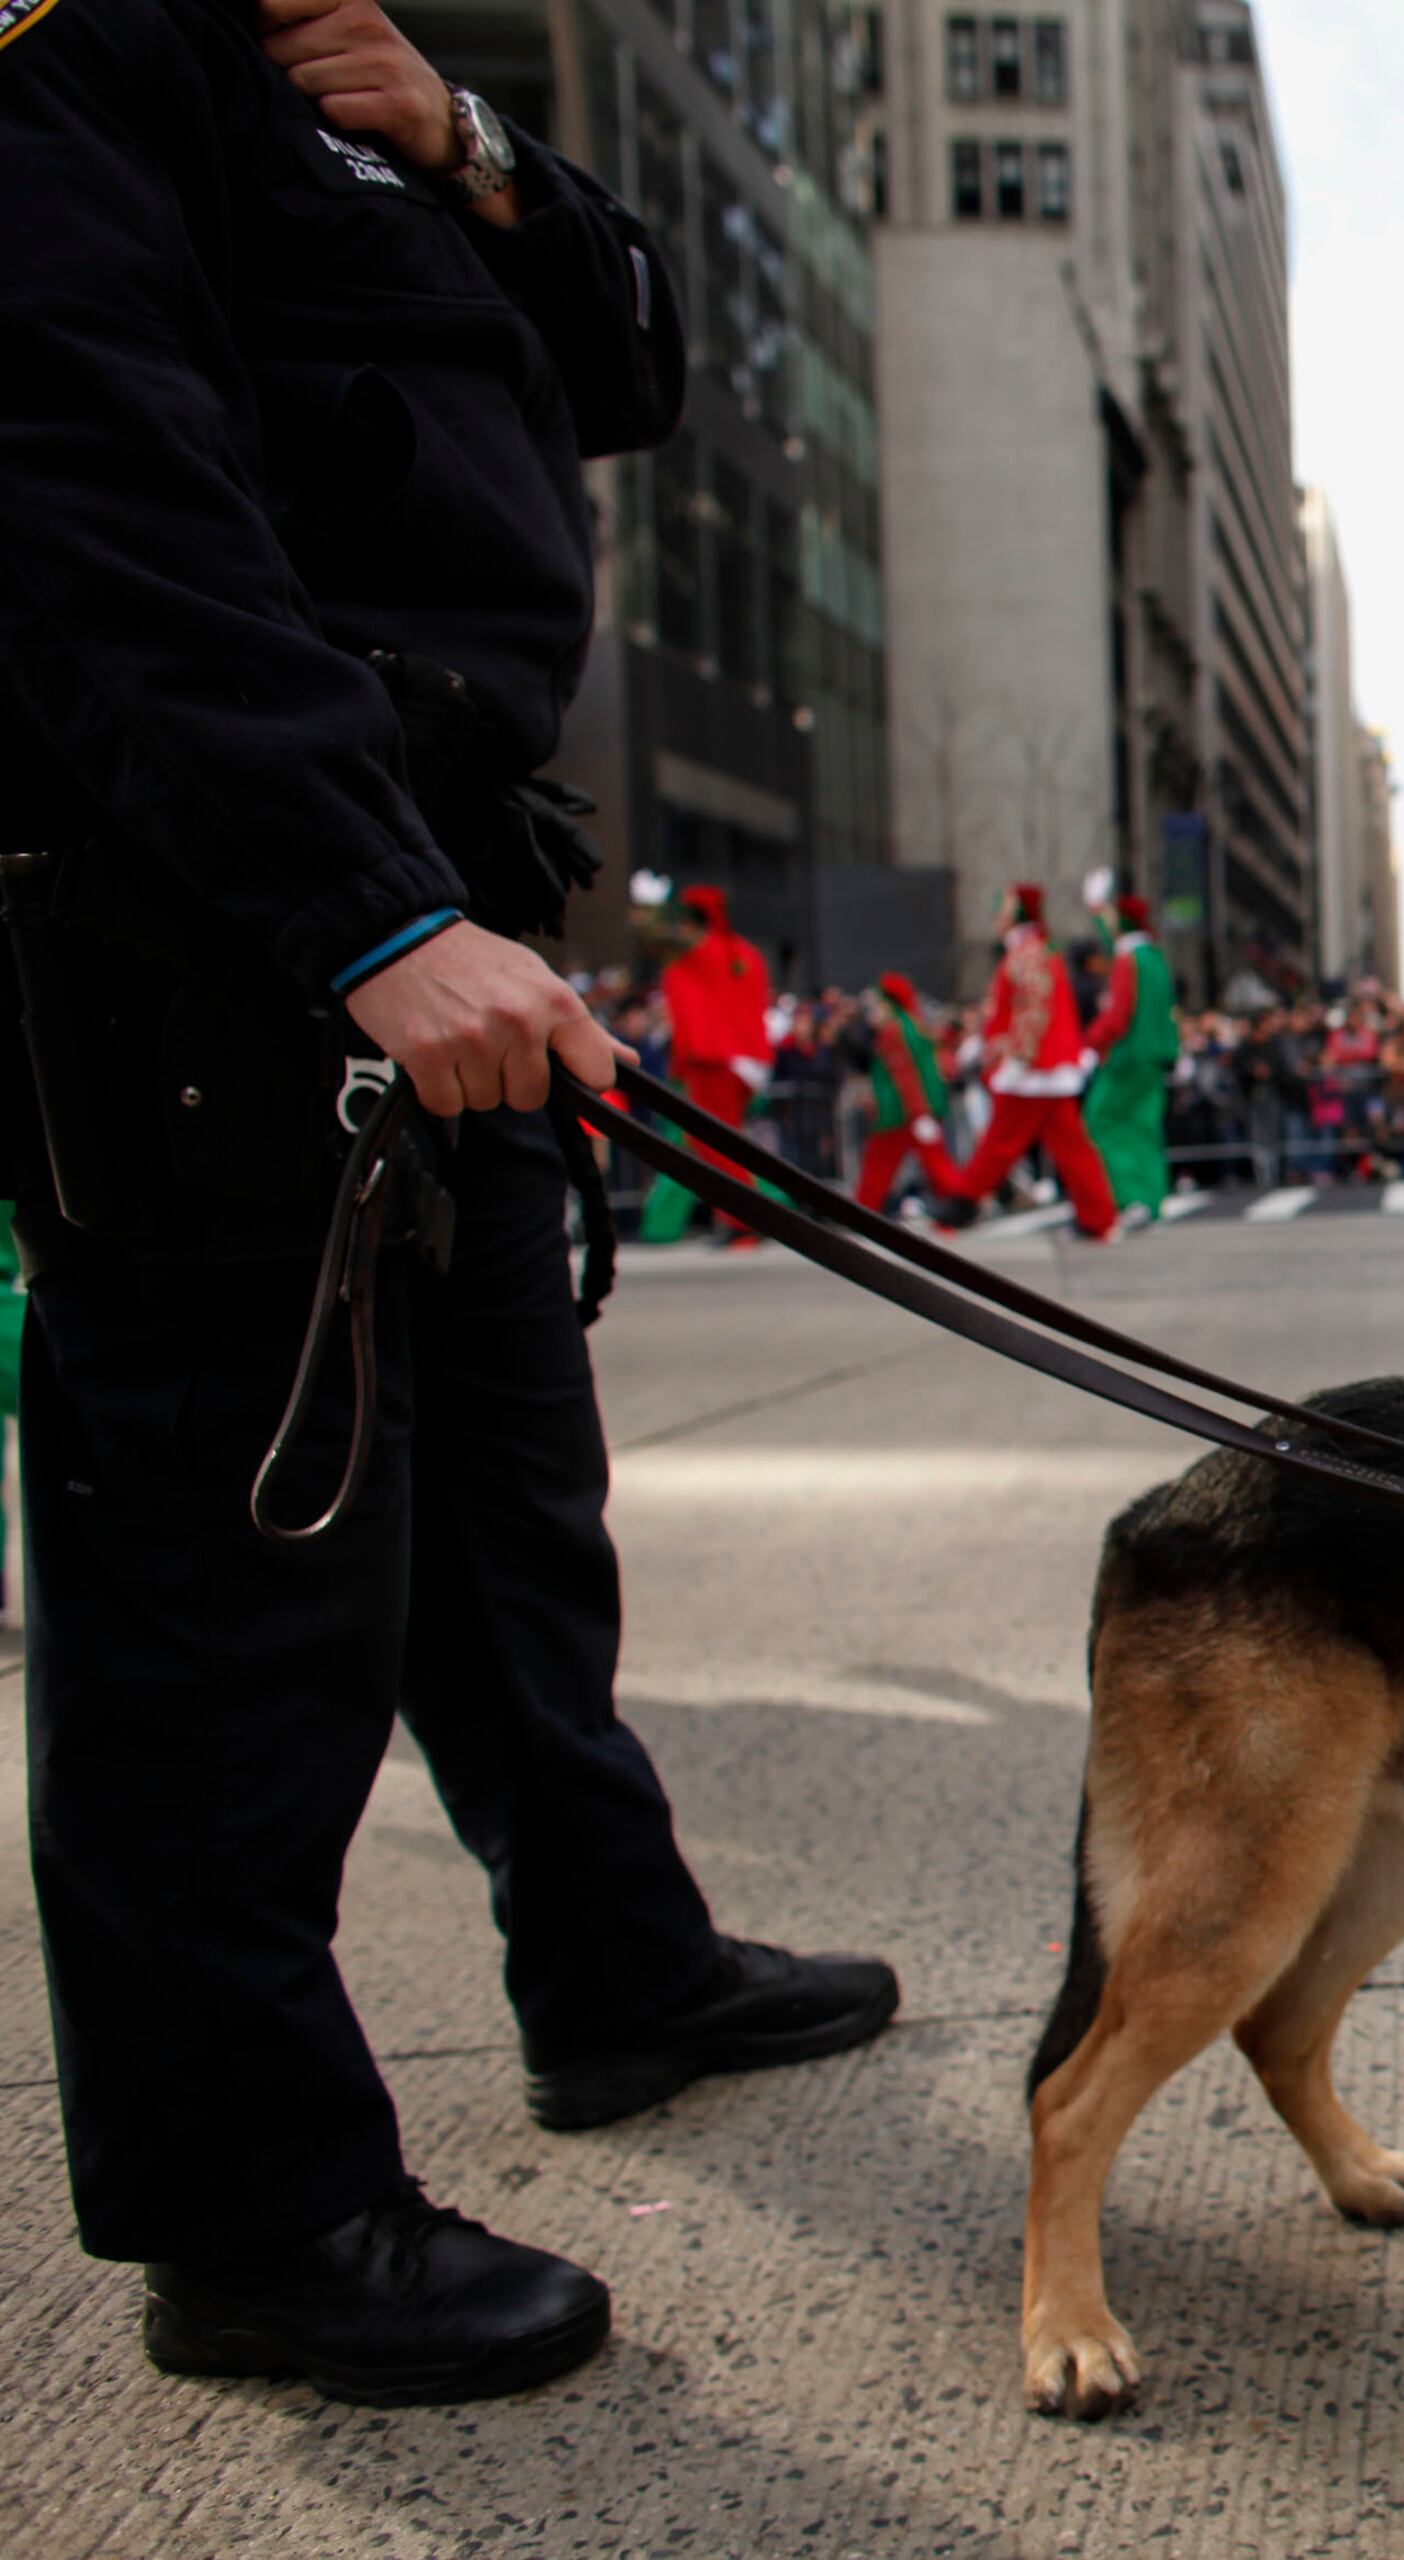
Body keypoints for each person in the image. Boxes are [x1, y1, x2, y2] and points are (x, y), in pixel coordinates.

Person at [0, 0, 896, 2406]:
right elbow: (79, 486)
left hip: (435, 886)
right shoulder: (74, 47)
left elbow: (624, 370)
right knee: (228, 1585)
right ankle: (253, 2210)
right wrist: (354, 909)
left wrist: (475, 141)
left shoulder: (342, 77)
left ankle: (613, 1959)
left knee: (508, 1511)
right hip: (216, 920)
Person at [935, 884, 1121, 1239]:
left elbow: (1033, 1011)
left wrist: (1016, 1055)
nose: (996, 921)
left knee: (1000, 1144)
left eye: (1001, 914)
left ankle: (960, 1206)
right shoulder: (1035, 951)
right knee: (1070, 1147)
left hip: (1033, 1071)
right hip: (1045, 1070)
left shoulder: (1026, 952)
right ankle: (1099, 1217)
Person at [637, 883, 776, 1244]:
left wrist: (646, 905)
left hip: (714, 1059)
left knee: (713, 1144)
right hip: (747, 1060)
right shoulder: (744, 952)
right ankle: (743, 1217)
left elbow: (654, 940)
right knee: (722, 1142)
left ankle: (743, 1219)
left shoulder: (699, 951)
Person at [1080, 892, 1179, 1220]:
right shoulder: (1154, 957)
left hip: (1125, 1058)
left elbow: (1118, 1014)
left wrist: (1090, 1041)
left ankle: (1128, 1197)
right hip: (1153, 1058)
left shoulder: (1129, 961)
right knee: (1145, 1127)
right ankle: (1151, 1200)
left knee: (1102, 1121)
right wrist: (1097, 913)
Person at [853, 973, 963, 1213]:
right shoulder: (912, 1024)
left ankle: (961, 1202)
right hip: (910, 1110)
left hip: (898, 1111)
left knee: (882, 1166)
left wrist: (918, 1112)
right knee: (931, 1161)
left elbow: (905, 1073)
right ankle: (960, 1202)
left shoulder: (894, 1029)